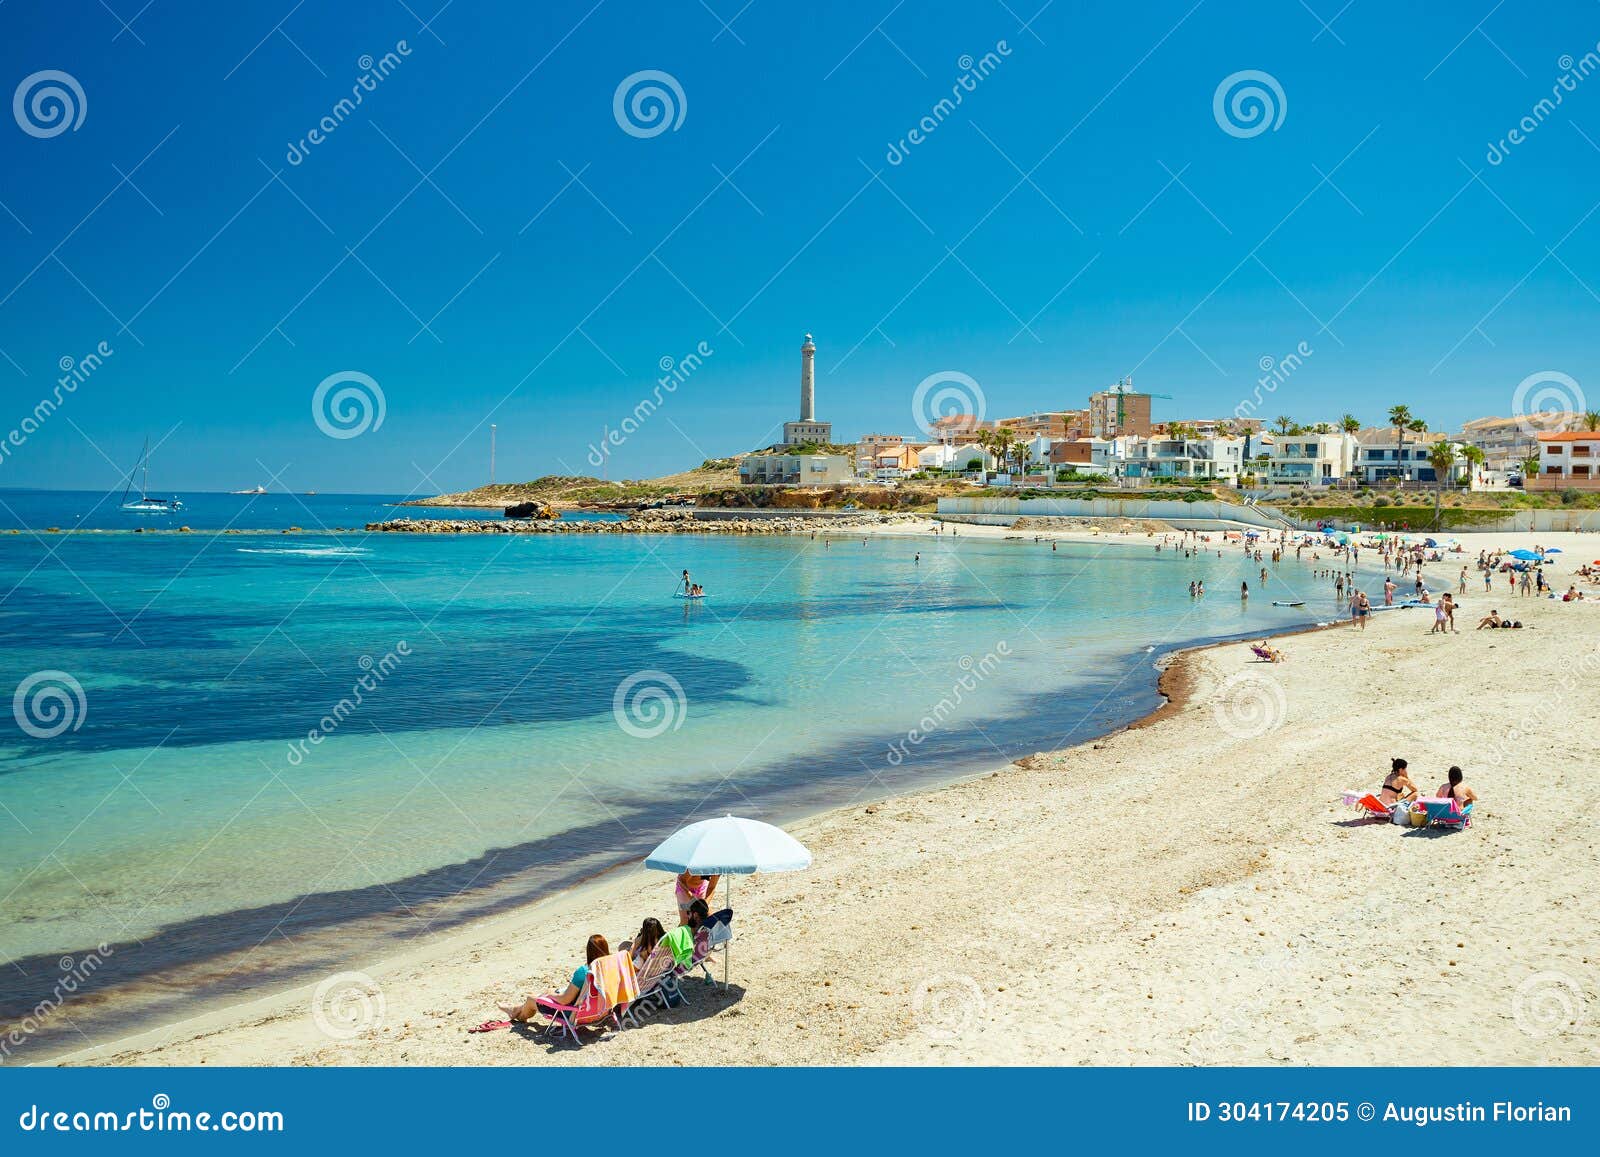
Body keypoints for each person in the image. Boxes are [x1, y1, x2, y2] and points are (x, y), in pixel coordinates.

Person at [500, 934, 610, 1022]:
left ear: (588, 951)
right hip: (602, 1010)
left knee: (530, 999)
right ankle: (515, 1009)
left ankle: (518, 1015)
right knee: (543, 995)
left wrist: (550, 994)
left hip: (577, 1014)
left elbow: (564, 1000)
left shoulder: (584, 972)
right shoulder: (611, 968)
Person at [663, 898, 709, 965]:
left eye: (688, 913)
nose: (687, 916)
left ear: (695, 915)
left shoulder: (684, 933)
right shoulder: (706, 931)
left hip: (671, 964)